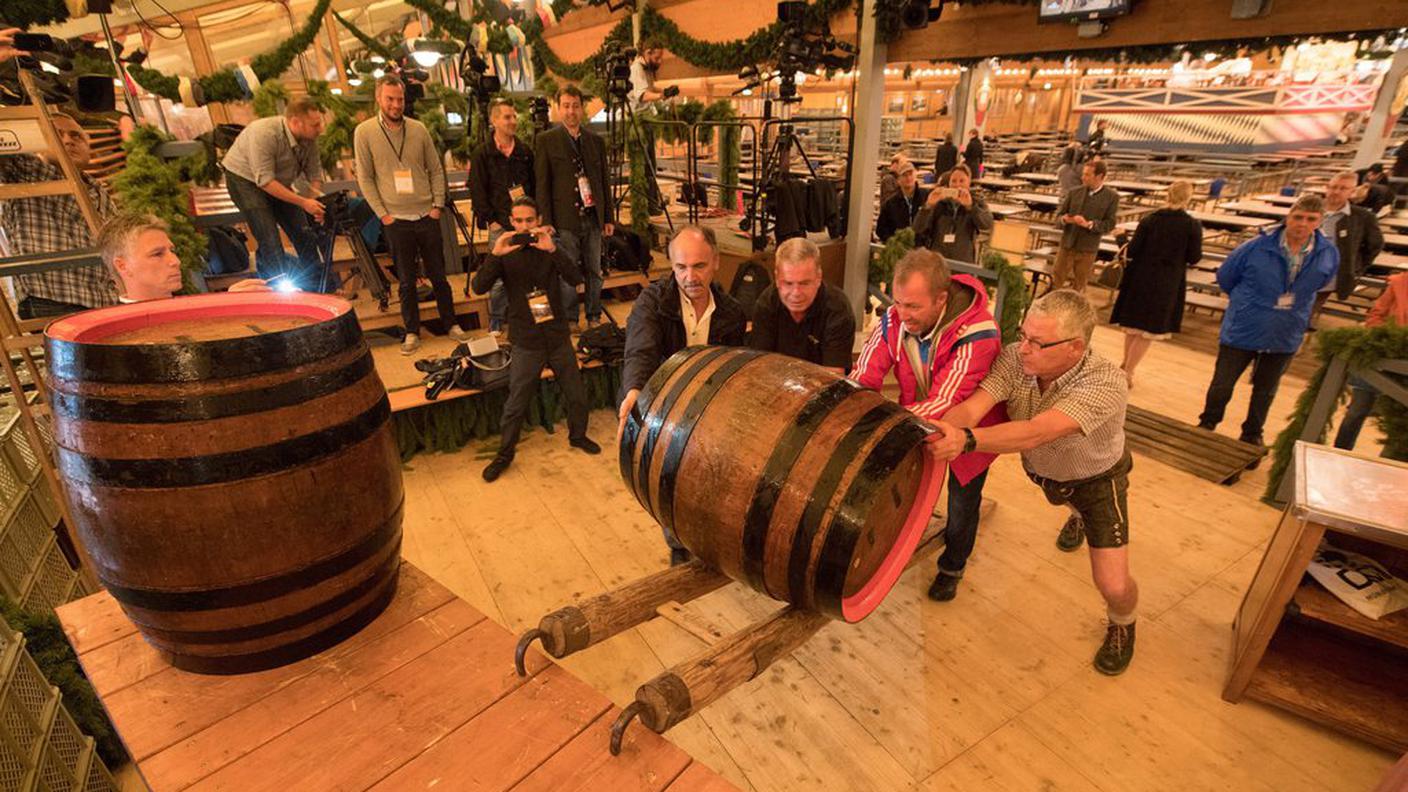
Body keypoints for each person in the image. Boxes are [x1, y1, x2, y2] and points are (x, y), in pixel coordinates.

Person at [928, 290, 1140, 676]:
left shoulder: (1106, 382)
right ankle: (1074, 515)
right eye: (1022, 334)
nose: (1022, 348)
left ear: (1076, 348)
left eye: (1037, 343)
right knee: (1063, 497)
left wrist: (967, 441)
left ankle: (1123, 623)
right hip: (1044, 471)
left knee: (1111, 581)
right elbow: (976, 405)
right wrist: (940, 429)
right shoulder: (1017, 357)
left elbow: (1036, 433)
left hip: (1094, 480)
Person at [853, 248, 1002, 603]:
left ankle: (952, 567)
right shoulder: (894, 318)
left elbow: (946, 401)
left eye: (913, 307)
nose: (902, 315)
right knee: (911, 485)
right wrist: (852, 405)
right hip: (917, 415)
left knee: (963, 500)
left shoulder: (980, 331)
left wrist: (882, 425)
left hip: (969, 428)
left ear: (941, 299)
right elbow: (865, 372)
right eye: (899, 303)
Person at [618, 225, 747, 564]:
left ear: (716, 262)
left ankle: (708, 542)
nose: (689, 276)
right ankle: (678, 548)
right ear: (671, 266)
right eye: (680, 267)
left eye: (699, 266)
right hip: (668, 411)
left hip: (711, 414)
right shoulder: (653, 302)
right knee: (668, 484)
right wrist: (633, 390)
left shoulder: (732, 312)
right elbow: (641, 350)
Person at [472, 197, 601, 482]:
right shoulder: (504, 253)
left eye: (529, 220)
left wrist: (553, 250)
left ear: (539, 220)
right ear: (511, 222)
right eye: (518, 221)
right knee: (516, 403)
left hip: (556, 335)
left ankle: (578, 436)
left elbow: (576, 277)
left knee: (577, 394)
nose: (524, 226)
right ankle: (504, 455)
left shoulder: (550, 248)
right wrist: (495, 254)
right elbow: (478, 287)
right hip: (525, 339)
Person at [1197, 194, 1339, 449]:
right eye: (1298, 217)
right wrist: (1247, 301)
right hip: (1245, 324)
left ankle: (1252, 433)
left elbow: (1322, 282)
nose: (1302, 224)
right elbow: (1226, 276)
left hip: (1285, 331)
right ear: (1288, 216)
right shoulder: (1256, 246)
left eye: (1310, 219)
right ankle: (1208, 422)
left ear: (1319, 222)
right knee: (1222, 383)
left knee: (1266, 389)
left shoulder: (1327, 253)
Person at [0, 31, 118, 319]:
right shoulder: (25, 171)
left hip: (103, 301)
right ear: (39, 140)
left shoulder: (98, 189)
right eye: (58, 134)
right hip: (52, 301)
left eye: (77, 135)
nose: (69, 140)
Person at [354, 75, 469, 354]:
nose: (396, 105)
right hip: (395, 219)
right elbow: (366, 179)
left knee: (439, 275)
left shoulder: (418, 129)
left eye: (400, 99)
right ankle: (411, 331)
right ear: (379, 99)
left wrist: (437, 206)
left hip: (426, 214)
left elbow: (436, 168)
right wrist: (383, 215)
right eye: (390, 99)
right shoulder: (365, 132)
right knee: (405, 280)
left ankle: (451, 323)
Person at [220, 97, 326, 287]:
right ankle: (278, 293)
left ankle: (320, 288)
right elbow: (265, 182)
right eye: (315, 124)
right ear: (295, 122)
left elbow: (314, 174)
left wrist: (313, 203)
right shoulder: (265, 134)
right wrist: (303, 203)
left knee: (305, 232)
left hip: (276, 182)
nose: (321, 129)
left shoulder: (309, 139)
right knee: (269, 239)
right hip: (245, 180)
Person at [1109, 181, 1203, 387]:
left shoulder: (1150, 220)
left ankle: (1126, 366)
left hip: (1141, 276)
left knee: (1135, 326)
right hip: (1167, 280)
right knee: (1147, 330)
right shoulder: (1191, 226)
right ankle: (1128, 371)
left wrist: (1122, 238)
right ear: (1188, 198)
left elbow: (1132, 251)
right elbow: (1195, 257)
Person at [535, 85, 615, 328]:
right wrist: (546, 219)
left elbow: (603, 182)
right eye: (566, 106)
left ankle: (593, 316)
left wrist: (608, 217)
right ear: (558, 109)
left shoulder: (595, 142)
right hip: (564, 218)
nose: (571, 111)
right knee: (567, 271)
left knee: (595, 270)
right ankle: (570, 318)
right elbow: (542, 184)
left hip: (592, 217)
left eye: (576, 106)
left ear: (582, 109)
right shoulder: (546, 140)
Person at [468, 99, 535, 337]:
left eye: (514, 116)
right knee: (497, 275)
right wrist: (491, 220)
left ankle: (533, 315)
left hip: (525, 224)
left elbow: (533, 185)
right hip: (500, 224)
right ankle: (496, 319)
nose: (513, 121)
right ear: (494, 120)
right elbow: (477, 189)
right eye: (507, 117)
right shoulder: (482, 154)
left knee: (530, 271)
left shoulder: (525, 152)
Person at [96, 213, 268, 302]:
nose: (175, 261)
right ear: (123, 266)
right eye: (157, 254)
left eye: (172, 251)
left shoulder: (184, 309)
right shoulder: (120, 334)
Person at [747, 237, 855, 372]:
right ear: (777, 279)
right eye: (788, 283)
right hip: (776, 385)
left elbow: (833, 378)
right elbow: (760, 368)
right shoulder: (766, 305)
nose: (796, 293)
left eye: (804, 283)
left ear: (818, 278)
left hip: (822, 386)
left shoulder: (838, 309)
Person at [1334, 272, 1407, 452]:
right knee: (1356, 412)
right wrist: (1388, 337)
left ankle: (1389, 463)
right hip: (1380, 357)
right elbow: (1375, 315)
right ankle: (1340, 452)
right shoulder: (1399, 283)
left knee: (1399, 422)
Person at [1053, 159, 1119, 293]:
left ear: (1099, 177)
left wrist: (1089, 224)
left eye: (1087, 174)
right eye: (1083, 173)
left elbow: (1110, 224)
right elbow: (1058, 216)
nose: (1083, 177)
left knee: (1079, 286)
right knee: (1056, 281)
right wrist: (1066, 220)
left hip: (1087, 249)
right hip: (1067, 245)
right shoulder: (1074, 192)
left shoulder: (1112, 197)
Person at [1318, 171, 1384, 304]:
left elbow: (1375, 245)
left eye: (1343, 188)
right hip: (1297, 271)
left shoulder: (1363, 217)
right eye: (1333, 187)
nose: (1336, 191)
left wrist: (1356, 267)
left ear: (1352, 192)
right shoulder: (1309, 208)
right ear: (1327, 187)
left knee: (1304, 315)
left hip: (1328, 278)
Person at [913, 166, 992, 264]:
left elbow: (987, 224)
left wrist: (971, 207)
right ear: (949, 184)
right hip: (939, 262)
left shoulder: (976, 202)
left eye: (962, 181)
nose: (957, 185)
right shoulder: (939, 203)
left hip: (964, 263)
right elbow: (918, 228)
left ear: (969, 183)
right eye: (953, 181)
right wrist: (928, 206)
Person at [875, 162, 927, 243]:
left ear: (915, 176)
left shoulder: (926, 197)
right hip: (900, 250)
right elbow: (881, 230)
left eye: (910, 174)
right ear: (898, 180)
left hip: (921, 250)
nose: (908, 177)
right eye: (904, 175)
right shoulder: (890, 203)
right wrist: (894, 242)